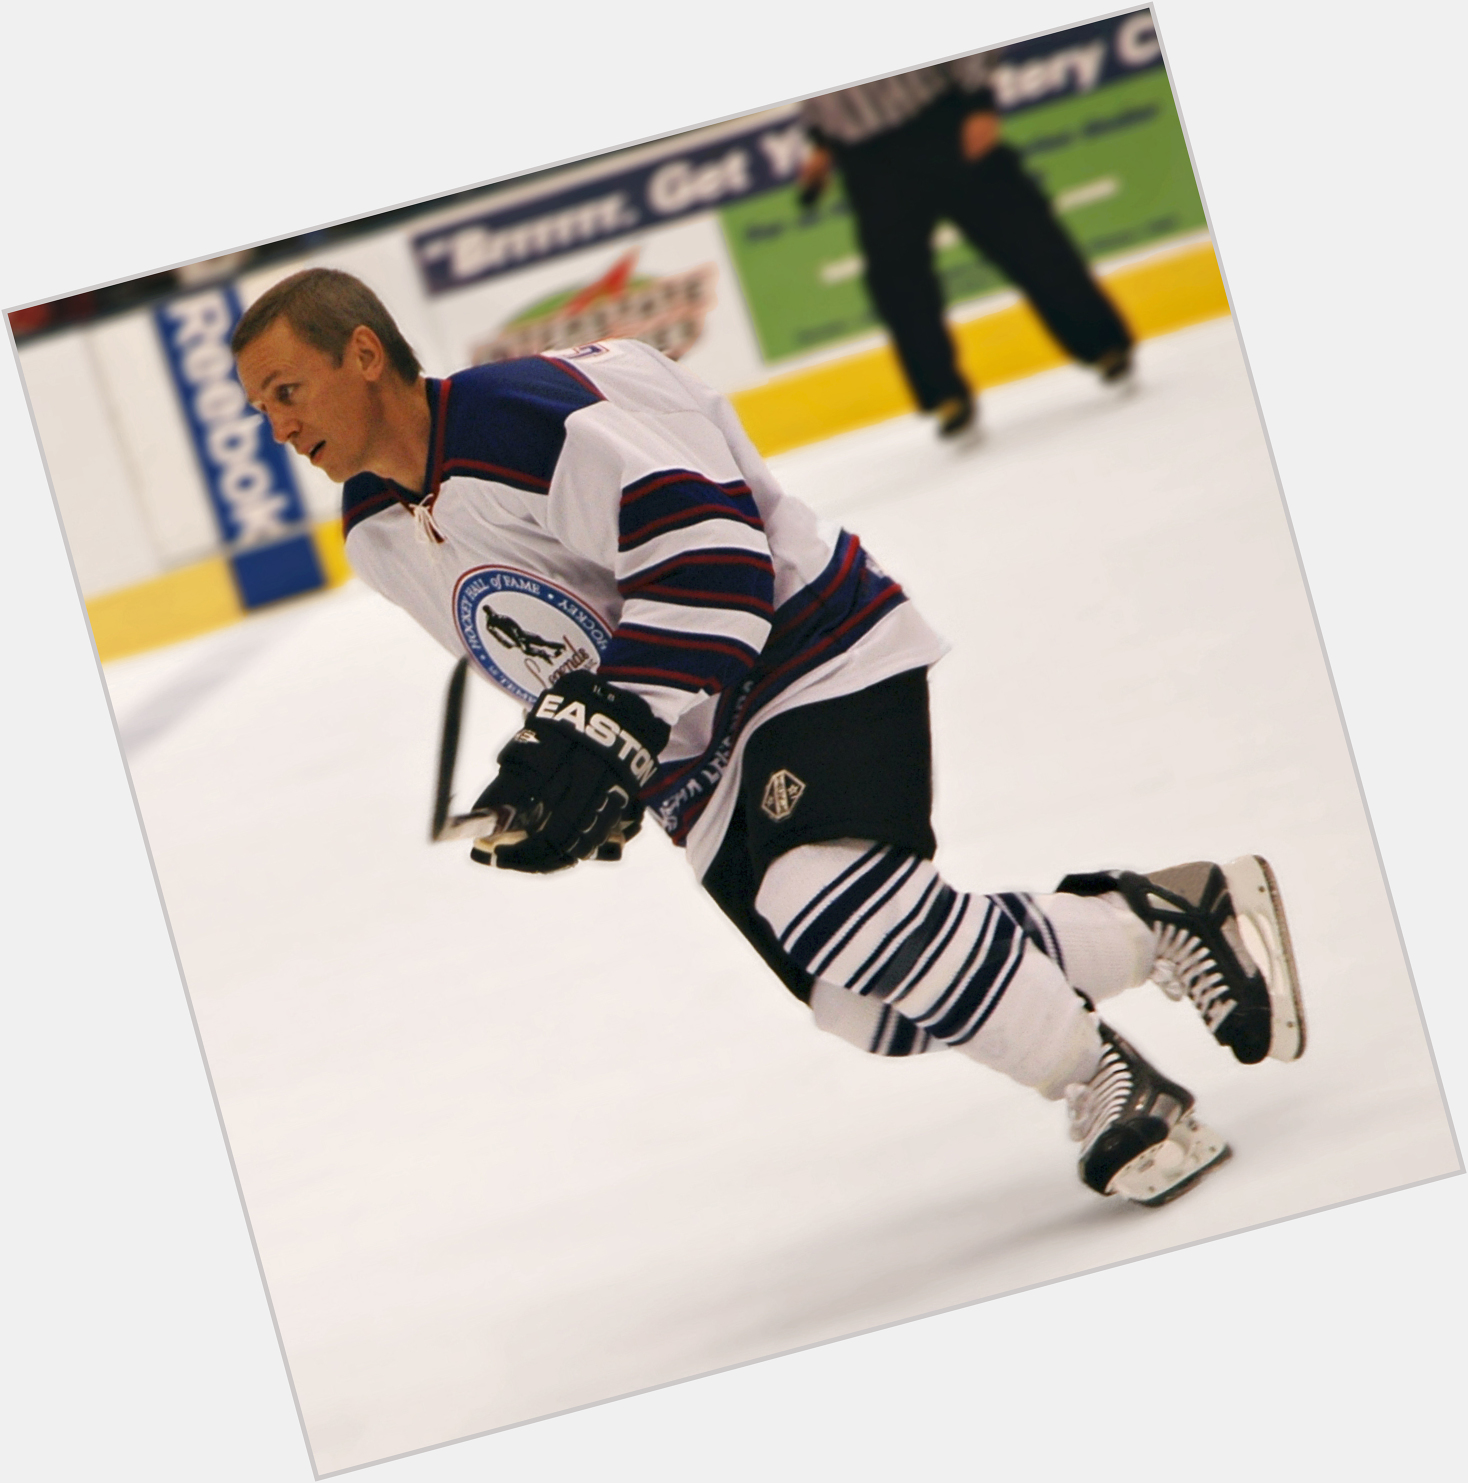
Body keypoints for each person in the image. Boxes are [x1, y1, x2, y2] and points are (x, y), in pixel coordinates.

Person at [233, 268, 1305, 1207]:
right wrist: (570, 770)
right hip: (694, 742)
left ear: (363, 354)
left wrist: (620, 720)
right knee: (860, 1001)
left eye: (287, 390)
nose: (279, 426)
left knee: (827, 902)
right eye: (260, 407)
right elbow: (546, 650)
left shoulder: (523, 424)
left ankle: (1112, 1084)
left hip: (803, 643)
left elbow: (718, 559)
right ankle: (1156, 918)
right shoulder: (376, 530)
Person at [797, 55, 1134, 438]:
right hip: (866, 159)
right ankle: (944, 394)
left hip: (938, 122)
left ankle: (1102, 342)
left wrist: (978, 104)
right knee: (897, 282)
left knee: (1025, 236)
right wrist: (822, 144)